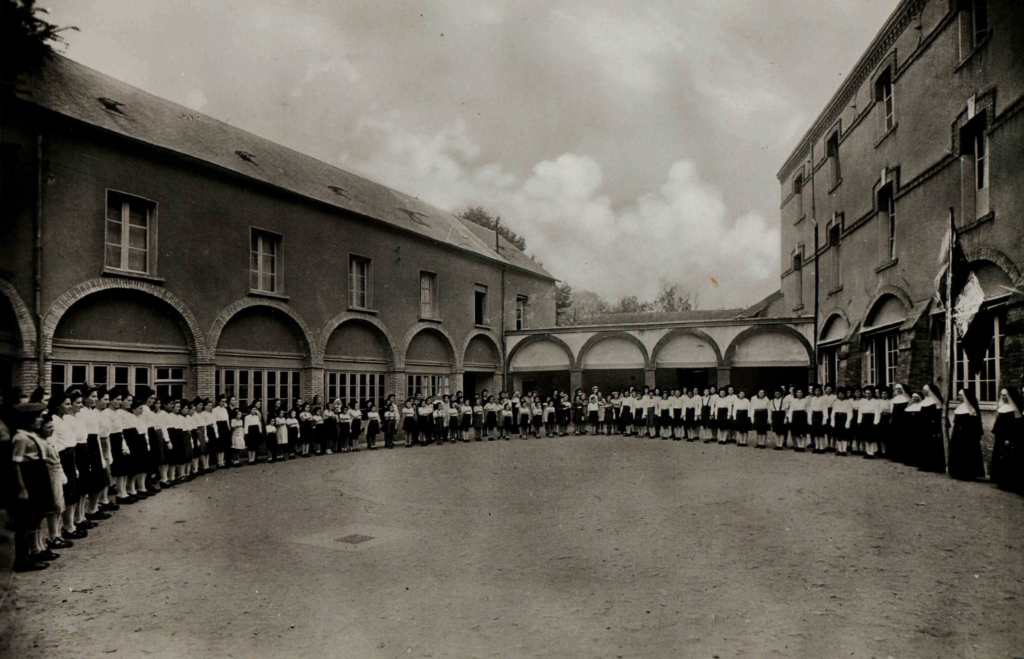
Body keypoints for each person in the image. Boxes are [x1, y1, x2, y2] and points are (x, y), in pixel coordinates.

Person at [8, 403, 56, 572]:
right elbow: (15, 464)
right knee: (24, 523)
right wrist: (22, 489)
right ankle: (21, 561)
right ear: (28, 419)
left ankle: (30, 555)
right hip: (29, 480)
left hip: (37, 478)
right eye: (37, 417)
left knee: (35, 517)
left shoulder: (31, 435)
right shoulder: (20, 438)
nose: (40, 421)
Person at [947, 389, 985, 481]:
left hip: (968, 435)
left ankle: (968, 473)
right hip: (958, 434)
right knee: (957, 452)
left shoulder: (971, 409)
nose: (958, 397)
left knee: (967, 453)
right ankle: (957, 472)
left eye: (960, 396)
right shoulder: (960, 407)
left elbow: (974, 424)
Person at [990, 387, 1022, 493]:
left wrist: (1009, 438)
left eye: (1005, 395)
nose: (1003, 398)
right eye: (1002, 395)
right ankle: (999, 480)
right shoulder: (1002, 408)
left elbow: (1014, 427)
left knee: (1008, 459)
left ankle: (1008, 482)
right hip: (1000, 437)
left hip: (1008, 438)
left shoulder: (1013, 410)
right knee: (999, 458)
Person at [917, 384, 946, 473]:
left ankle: (934, 466)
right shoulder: (924, 401)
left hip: (932, 427)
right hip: (923, 427)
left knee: (933, 446)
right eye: (923, 390)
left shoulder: (936, 402)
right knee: (924, 445)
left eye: (925, 390)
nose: (923, 392)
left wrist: (937, 430)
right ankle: (924, 464)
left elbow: (937, 417)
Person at [888, 384, 911, 463]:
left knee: (902, 438)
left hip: (903, 422)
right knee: (894, 438)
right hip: (895, 421)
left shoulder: (907, 399)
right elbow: (891, 411)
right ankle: (894, 456)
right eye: (896, 389)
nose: (898, 390)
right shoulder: (894, 399)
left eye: (899, 389)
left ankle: (902, 456)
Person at [858, 387, 881, 459]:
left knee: (872, 437)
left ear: (872, 394)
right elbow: (860, 412)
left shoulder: (875, 402)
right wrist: (859, 421)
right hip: (865, 419)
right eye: (866, 393)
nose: (868, 395)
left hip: (872, 419)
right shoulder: (862, 401)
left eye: (869, 393)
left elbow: (877, 412)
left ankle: (872, 452)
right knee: (866, 437)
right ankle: (868, 452)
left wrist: (875, 422)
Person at [831, 388, 853, 455]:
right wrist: (833, 420)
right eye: (839, 394)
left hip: (844, 418)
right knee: (838, 435)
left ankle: (844, 450)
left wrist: (848, 421)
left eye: (842, 394)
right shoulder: (835, 402)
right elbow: (833, 412)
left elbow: (850, 413)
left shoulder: (848, 402)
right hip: (837, 418)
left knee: (844, 435)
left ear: (845, 394)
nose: (841, 395)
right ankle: (840, 450)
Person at [809, 385, 829, 454]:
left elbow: (825, 409)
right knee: (815, 433)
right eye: (816, 391)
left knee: (821, 433)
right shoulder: (813, 399)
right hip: (814, 415)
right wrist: (810, 418)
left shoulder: (823, 399)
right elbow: (811, 409)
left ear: (821, 391)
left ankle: (821, 447)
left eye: (819, 391)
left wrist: (825, 419)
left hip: (820, 415)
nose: (817, 392)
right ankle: (816, 447)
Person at [213, 394, 231, 469]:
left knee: (224, 445)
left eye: (224, 401)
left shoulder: (225, 409)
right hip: (219, 426)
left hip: (225, 427)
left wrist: (229, 428)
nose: (223, 403)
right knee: (219, 446)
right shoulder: (215, 410)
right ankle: (219, 462)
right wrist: (216, 431)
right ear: (218, 401)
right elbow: (214, 421)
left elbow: (227, 420)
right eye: (222, 401)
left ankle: (222, 462)